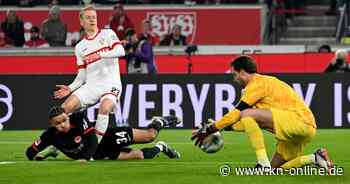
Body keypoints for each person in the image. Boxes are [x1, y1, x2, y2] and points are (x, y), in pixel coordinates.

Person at [191, 55, 333, 172]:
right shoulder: (263, 83)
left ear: (242, 72)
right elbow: (248, 122)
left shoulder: (257, 83)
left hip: (298, 121)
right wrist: (223, 127)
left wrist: (210, 129)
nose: (234, 79)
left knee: (246, 113)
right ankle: (315, 158)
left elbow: (239, 114)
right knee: (275, 170)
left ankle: (262, 163)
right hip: (304, 127)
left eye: (234, 74)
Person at [54, 5, 125, 146]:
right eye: (88, 17)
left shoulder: (107, 34)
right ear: (81, 22)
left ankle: (93, 147)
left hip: (111, 83)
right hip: (92, 86)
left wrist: (99, 55)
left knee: (104, 108)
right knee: (63, 109)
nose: (92, 20)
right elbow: (82, 75)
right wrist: (70, 88)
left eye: (94, 17)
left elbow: (120, 50)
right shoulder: (80, 47)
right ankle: (58, 146)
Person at [26, 106, 181, 161]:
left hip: (107, 137)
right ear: (51, 125)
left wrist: (86, 159)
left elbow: (92, 139)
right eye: (57, 124)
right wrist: (37, 154)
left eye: (64, 120)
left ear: (68, 116)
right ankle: (161, 147)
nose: (62, 125)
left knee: (149, 136)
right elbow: (29, 152)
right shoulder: (49, 135)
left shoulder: (78, 119)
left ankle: (158, 122)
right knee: (139, 156)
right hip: (100, 154)